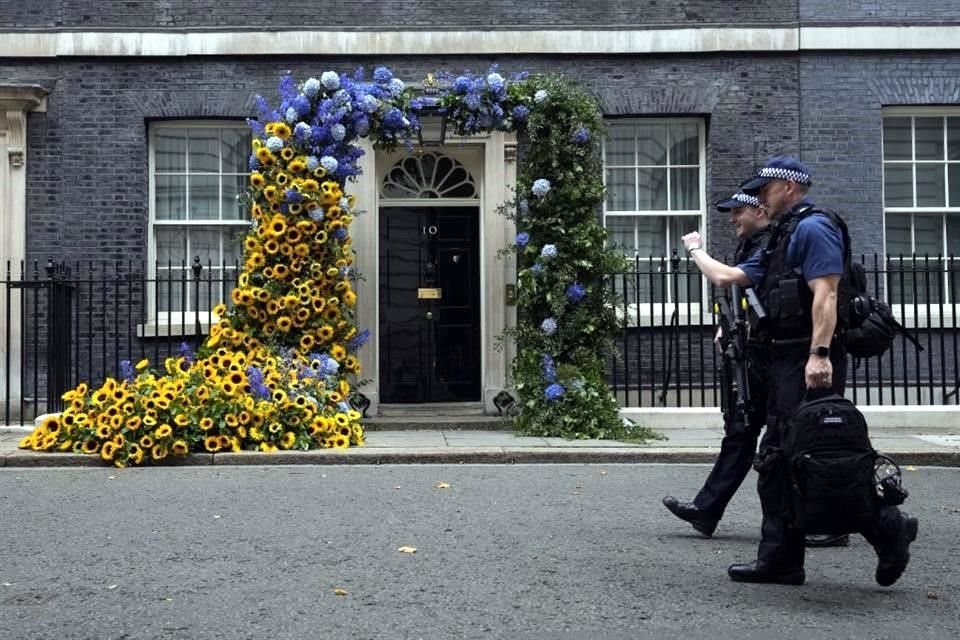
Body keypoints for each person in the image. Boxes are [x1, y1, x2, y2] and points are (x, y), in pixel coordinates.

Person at [723, 155, 918, 587]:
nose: (758, 198)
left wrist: (820, 354)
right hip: (784, 362)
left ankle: (889, 530)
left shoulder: (814, 228)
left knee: (820, 461)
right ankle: (781, 559)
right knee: (778, 459)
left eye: (764, 189)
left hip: (807, 361)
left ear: (789, 188)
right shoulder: (785, 233)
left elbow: (826, 295)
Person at [662, 192, 770, 538]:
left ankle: (838, 520)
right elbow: (749, 296)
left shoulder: (769, 245)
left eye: (738, 211)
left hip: (779, 358)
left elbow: (724, 278)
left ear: (759, 210)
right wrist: (728, 324)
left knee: (791, 442)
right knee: (739, 432)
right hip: (754, 355)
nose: (732, 218)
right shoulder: (751, 245)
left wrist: (695, 250)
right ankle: (706, 510)